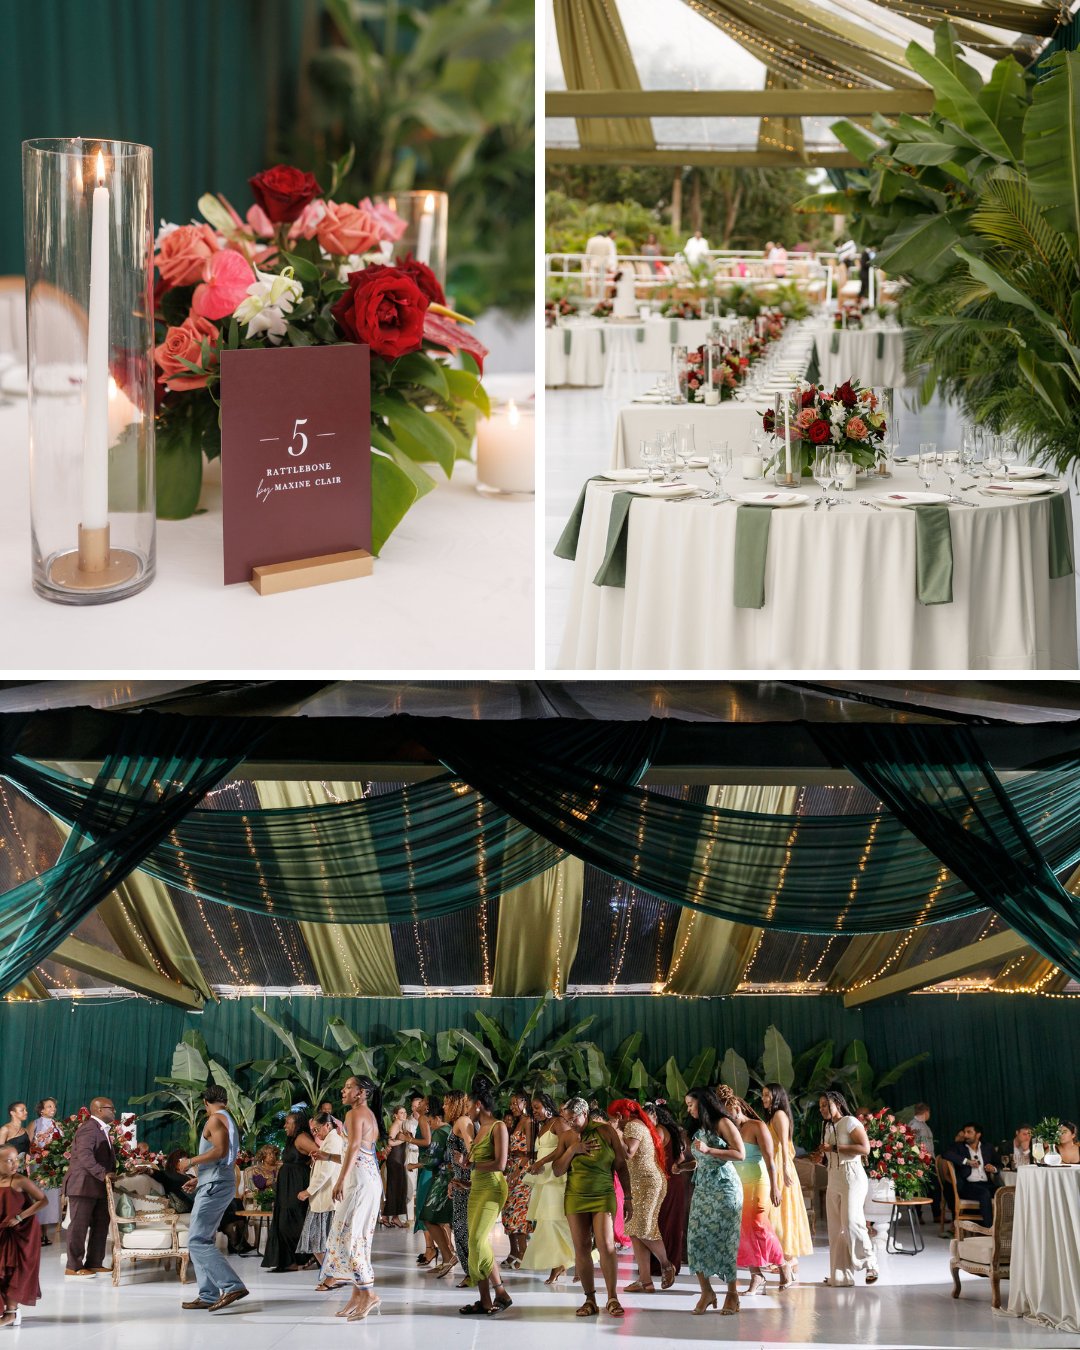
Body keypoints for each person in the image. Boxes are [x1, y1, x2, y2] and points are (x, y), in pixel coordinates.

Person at [552, 1095, 630, 1319]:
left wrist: (629, 1198)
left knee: (606, 1245)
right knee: (582, 1248)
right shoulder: (567, 1137)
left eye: (573, 1119)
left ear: (584, 1114)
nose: (570, 1123)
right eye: (566, 1119)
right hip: (575, 1196)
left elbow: (621, 1165)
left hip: (603, 1195)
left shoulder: (606, 1132)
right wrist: (572, 1150)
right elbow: (557, 1170)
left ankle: (612, 1297)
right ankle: (590, 1299)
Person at [176, 1085, 249, 1312]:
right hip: (216, 1181)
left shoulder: (215, 1119)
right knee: (202, 1239)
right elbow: (225, 1158)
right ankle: (208, 1295)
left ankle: (232, 1285)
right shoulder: (229, 1119)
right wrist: (200, 1179)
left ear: (205, 1103)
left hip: (215, 1185)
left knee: (197, 1240)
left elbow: (220, 1151)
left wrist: (190, 1162)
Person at [321, 1075, 384, 1321]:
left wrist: (339, 1181)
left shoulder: (355, 1113)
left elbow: (354, 1147)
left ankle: (369, 1294)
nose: (343, 1091)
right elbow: (356, 1150)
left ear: (361, 1092)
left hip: (359, 1182)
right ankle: (357, 1295)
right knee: (356, 1236)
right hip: (368, 1179)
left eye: (348, 1087)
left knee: (350, 1237)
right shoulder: (366, 1114)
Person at [716, 1087, 791, 1293]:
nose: (728, 1118)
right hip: (737, 1184)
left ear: (737, 1107)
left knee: (759, 1225)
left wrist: (775, 1187)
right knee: (741, 1230)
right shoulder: (729, 1130)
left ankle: (783, 1265)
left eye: (729, 1113)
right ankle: (756, 1274)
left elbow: (770, 1160)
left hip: (758, 1182)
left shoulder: (757, 1126)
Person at [684, 1088, 744, 1317]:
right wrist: (683, 1167)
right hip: (703, 1188)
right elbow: (701, 1160)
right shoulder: (698, 1127)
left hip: (725, 1188)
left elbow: (740, 1154)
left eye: (691, 1104)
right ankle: (706, 1292)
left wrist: (710, 1149)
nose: (688, 1109)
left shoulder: (723, 1122)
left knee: (726, 1240)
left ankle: (732, 1293)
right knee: (695, 1238)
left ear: (703, 1103)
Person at [608, 1098, 674, 1292]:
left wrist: (616, 1132)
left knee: (643, 1228)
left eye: (613, 1118)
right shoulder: (637, 1125)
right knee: (634, 1230)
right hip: (641, 1182)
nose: (613, 1122)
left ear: (619, 1116)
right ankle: (645, 1281)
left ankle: (666, 1264)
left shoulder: (632, 1126)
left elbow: (629, 1152)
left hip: (646, 1183)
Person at [460, 1075, 512, 1316]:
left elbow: (500, 1164)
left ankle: (500, 1292)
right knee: (475, 1243)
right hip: (476, 1188)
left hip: (493, 1188)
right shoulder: (479, 1130)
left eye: (469, 1106)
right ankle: (486, 1300)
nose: (467, 1110)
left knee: (477, 1241)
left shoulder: (498, 1126)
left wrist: (471, 1165)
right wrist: (464, 1180)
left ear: (479, 1105)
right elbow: (476, 1166)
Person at [816, 1090, 877, 1287]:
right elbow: (830, 1155)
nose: (822, 1109)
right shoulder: (827, 1127)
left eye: (826, 1105)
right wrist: (821, 1157)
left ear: (838, 1104)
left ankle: (870, 1264)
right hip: (833, 1177)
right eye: (820, 1106)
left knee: (852, 1221)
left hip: (852, 1176)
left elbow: (865, 1148)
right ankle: (840, 1276)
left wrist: (834, 1149)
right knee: (836, 1230)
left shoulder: (850, 1122)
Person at [521, 1092, 573, 1285]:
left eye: (537, 1107)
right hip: (544, 1179)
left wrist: (542, 1161)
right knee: (546, 1222)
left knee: (555, 1221)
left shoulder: (559, 1122)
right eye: (532, 1108)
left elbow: (565, 1147)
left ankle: (566, 1261)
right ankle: (559, 1262)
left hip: (556, 1178)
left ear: (547, 1106)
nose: (534, 1111)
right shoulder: (543, 1125)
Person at [761, 1084, 813, 1277]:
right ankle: (783, 1257)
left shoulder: (780, 1115)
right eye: (763, 1095)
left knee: (782, 1211)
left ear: (776, 1096)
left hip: (781, 1166)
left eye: (767, 1095)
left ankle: (789, 1258)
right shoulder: (773, 1116)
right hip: (774, 1165)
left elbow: (784, 1145)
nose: (764, 1098)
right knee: (775, 1212)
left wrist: (784, 1169)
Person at [63, 1095, 116, 1277]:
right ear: (99, 1110)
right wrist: (103, 1174)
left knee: (101, 1225)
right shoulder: (89, 1128)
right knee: (79, 1226)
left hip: (99, 1186)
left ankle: (94, 1263)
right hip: (83, 1185)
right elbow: (85, 1156)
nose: (114, 1111)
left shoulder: (101, 1129)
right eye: (111, 1108)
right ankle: (73, 1267)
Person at [261, 1109, 318, 1271]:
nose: (285, 1125)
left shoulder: (301, 1138)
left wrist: (309, 1171)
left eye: (288, 1122)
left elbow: (320, 1155)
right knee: (285, 1220)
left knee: (292, 1221)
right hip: (288, 1185)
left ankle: (309, 1255)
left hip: (297, 1184)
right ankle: (290, 1261)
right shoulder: (293, 1139)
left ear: (297, 1124)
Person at [0, 1144, 45, 1326]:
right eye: (9, 1160)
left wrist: (20, 1217)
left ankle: (11, 1313)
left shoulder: (19, 1180)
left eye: (16, 1160)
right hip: (2, 1230)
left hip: (21, 1231)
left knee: (14, 1269)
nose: (15, 1164)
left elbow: (43, 1200)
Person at [645, 1100, 690, 1279]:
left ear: (655, 1116)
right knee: (671, 1222)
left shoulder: (658, 1131)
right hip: (674, 1180)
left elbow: (649, 1156)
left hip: (663, 1181)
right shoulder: (673, 1131)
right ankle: (671, 1262)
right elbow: (681, 1158)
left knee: (660, 1222)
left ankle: (660, 1264)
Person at [298, 1111, 344, 1277]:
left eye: (317, 1129)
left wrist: (308, 1191)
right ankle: (332, 1274)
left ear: (327, 1125)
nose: (315, 1134)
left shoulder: (333, 1140)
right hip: (322, 1199)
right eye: (313, 1131)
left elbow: (326, 1171)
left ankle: (333, 1274)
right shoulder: (329, 1141)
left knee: (317, 1240)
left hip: (326, 1199)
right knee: (318, 1241)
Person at [416, 1100, 456, 1277]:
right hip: (448, 1177)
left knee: (428, 1217)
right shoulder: (449, 1129)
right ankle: (447, 1257)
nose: (430, 1125)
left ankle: (448, 1256)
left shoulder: (440, 1132)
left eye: (430, 1121)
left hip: (442, 1179)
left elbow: (432, 1158)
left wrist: (416, 1164)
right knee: (440, 1220)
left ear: (438, 1118)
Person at [500, 1090, 534, 1269]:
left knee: (519, 1212)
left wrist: (516, 1172)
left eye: (515, 1103)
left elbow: (530, 1152)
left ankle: (523, 1253)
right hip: (512, 1167)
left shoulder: (528, 1121)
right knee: (508, 1211)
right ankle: (513, 1251)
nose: (512, 1106)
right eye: (511, 1103)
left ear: (524, 1103)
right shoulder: (516, 1122)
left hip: (522, 1170)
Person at [944, 1123, 1001, 1228]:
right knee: (984, 1193)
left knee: (1004, 1191)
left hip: (986, 1183)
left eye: (969, 1132)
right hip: (967, 1185)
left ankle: (1006, 1226)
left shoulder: (988, 1147)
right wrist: (967, 1161)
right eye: (964, 1132)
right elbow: (946, 1154)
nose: (965, 1135)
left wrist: (993, 1168)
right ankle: (989, 1228)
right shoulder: (959, 1147)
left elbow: (999, 1164)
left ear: (978, 1135)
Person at [444, 1089, 474, 1288]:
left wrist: (465, 1163)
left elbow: (474, 1150)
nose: (444, 1107)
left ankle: (474, 1273)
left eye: (447, 1103)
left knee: (464, 1229)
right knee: (461, 1228)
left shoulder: (463, 1121)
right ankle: (472, 1272)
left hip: (467, 1183)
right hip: (460, 1181)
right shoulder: (458, 1122)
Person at [407, 1099, 436, 1264]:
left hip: (426, 1166)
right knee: (424, 1206)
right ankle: (430, 1247)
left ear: (427, 1107)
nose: (418, 1105)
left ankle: (431, 1249)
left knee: (423, 1207)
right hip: (424, 1164)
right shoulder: (425, 1119)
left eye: (422, 1103)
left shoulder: (424, 1118)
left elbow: (428, 1142)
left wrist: (408, 1139)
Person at [29, 1100, 61, 1246]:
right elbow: (28, 1144)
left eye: (54, 1107)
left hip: (53, 1166)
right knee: (38, 1197)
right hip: (38, 1166)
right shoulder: (34, 1124)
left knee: (50, 1199)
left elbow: (63, 1144)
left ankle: (44, 1234)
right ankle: (34, 1234)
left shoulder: (57, 1125)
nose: (53, 1109)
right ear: (41, 1110)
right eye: (49, 1106)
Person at [381, 1105, 409, 1228]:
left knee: (398, 1188)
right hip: (395, 1160)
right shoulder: (395, 1126)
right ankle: (387, 1216)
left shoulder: (401, 1125)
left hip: (399, 1159)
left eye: (405, 1112)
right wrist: (404, 1140)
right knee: (394, 1188)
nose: (404, 1114)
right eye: (401, 1113)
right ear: (395, 1115)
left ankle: (394, 1217)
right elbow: (390, 1142)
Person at [403, 1091, 425, 1222]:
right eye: (414, 1106)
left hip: (423, 1155)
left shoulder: (427, 1121)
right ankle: (410, 1218)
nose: (416, 1109)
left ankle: (422, 1217)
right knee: (410, 1187)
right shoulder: (407, 1122)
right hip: (410, 1154)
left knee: (422, 1186)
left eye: (418, 1106)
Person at [585, 228, 618, 298]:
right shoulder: (606, 241)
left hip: (594, 264)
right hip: (604, 264)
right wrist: (609, 265)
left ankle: (594, 295)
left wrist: (587, 265)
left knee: (594, 281)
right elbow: (608, 254)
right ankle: (602, 296)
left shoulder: (591, 240)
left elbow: (588, 254)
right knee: (602, 281)